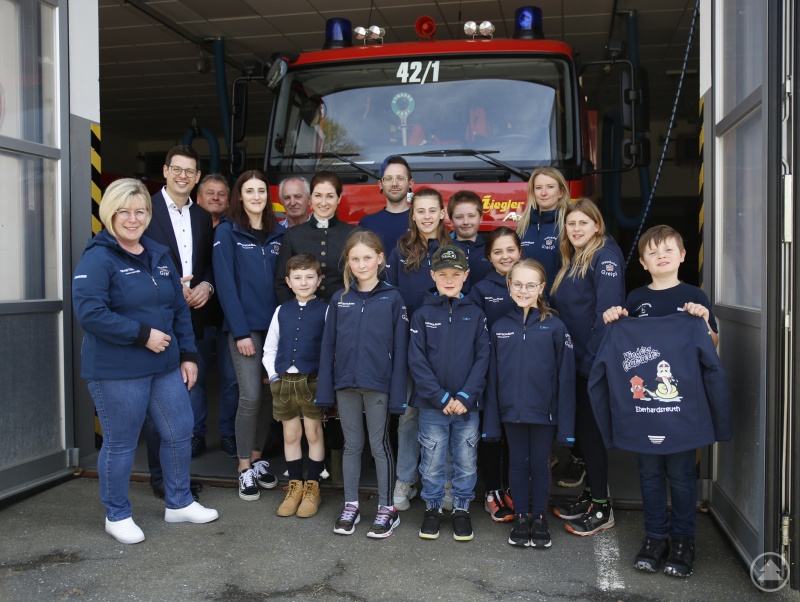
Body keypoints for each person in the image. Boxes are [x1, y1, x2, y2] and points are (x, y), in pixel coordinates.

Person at [73, 178, 219, 545]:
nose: (132, 219)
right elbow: (90, 313)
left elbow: (177, 309)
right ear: (110, 214)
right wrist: (142, 335)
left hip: (165, 365)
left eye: (139, 212)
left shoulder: (157, 253)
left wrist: (187, 354)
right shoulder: (98, 257)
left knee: (178, 429)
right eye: (124, 211)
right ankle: (117, 515)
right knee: (121, 442)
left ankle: (179, 502)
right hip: (117, 369)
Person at [600, 224, 721, 576]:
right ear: (642, 262)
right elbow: (624, 344)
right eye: (652, 252)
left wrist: (705, 323)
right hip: (646, 409)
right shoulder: (636, 298)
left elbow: (711, 346)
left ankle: (683, 541)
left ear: (683, 256)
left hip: (682, 406)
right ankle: (655, 537)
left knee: (682, 475)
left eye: (668, 249)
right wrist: (614, 316)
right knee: (649, 473)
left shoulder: (695, 296)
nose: (661, 255)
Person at [317, 230, 409, 538]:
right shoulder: (340, 298)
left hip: (378, 385)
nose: (361, 264)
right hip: (346, 384)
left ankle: (387, 509)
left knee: (379, 445)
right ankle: (351, 504)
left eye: (367, 257)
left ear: (380, 259)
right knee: (352, 445)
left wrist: (398, 396)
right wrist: (325, 391)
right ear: (348, 262)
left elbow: (401, 350)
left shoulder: (393, 298)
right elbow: (328, 346)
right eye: (355, 259)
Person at [483, 258, 576, 549]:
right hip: (511, 412)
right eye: (518, 284)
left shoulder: (556, 327)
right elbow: (492, 378)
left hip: (543, 412)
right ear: (509, 285)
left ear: (541, 287)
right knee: (517, 464)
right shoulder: (499, 327)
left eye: (530, 285)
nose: (524, 290)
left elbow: (566, 379)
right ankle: (521, 516)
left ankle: (539, 518)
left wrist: (566, 427)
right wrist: (491, 421)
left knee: (540, 464)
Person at [143, 145, 215, 507]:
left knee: (183, 403)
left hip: (193, 319)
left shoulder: (203, 217)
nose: (183, 176)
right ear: (166, 171)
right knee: (161, 406)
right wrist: (173, 287)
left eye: (190, 171)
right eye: (177, 169)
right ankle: (160, 478)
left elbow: (206, 265)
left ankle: (178, 478)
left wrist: (205, 286)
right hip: (157, 318)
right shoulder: (146, 210)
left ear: (197, 177)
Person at [550, 198, 625, 536]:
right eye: (571, 223)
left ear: (597, 225)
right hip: (576, 361)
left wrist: (588, 363)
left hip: (590, 364)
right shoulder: (575, 258)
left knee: (591, 437)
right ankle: (592, 496)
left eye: (583, 222)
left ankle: (602, 509)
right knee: (582, 433)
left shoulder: (604, 257)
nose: (576, 228)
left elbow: (605, 317)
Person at [409, 245, 489, 542]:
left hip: (467, 406)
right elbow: (416, 361)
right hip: (433, 406)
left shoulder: (477, 315)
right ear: (433, 275)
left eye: (456, 274)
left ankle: (461, 509)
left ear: (466, 275)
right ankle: (432, 509)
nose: (449, 279)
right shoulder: (422, 314)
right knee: (432, 460)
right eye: (442, 274)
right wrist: (441, 398)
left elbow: (483, 359)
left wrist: (466, 397)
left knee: (466, 459)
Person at [213, 170, 285, 501]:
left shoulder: (278, 233)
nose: (256, 196)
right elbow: (225, 285)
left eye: (261, 191)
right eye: (249, 190)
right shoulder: (228, 232)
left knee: (270, 397)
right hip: (245, 330)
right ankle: (243, 468)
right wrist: (240, 332)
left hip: (274, 329)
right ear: (239, 196)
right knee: (251, 395)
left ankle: (256, 459)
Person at [385, 188, 450, 512]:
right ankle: (406, 479)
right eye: (420, 211)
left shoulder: (453, 249)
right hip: (409, 345)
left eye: (431, 210)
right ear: (413, 215)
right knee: (409, 416)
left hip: (446, 346)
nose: (426, 216)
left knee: (442, 415)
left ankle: (444, 480)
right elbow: (392, 297)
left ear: (442, 213)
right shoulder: (400, 249)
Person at [262, 253, 328, 518]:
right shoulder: (281, 310)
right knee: (291, 434)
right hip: (284, 381)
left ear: (319, 280)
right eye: (298, 278)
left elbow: (330, 349)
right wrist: (275, 376)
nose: (304, 282)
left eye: (309, 277)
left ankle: (313, 486)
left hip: (312, 380)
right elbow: (269, 348)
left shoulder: (326, 310)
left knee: (313, 432)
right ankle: (295, 486)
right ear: (288, 282)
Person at [467, 226, 521, 522]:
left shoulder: (531, 283)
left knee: (516, 432)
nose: (505, 256)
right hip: (491, 373)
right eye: (498, 251)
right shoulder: (482, 289)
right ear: (489, 257)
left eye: (510, 250)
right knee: (491, 435)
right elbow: (474, 333)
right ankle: (492, 492)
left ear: (520, 252)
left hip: (522, 374)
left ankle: (513, 487)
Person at [193, 174, 239, 458]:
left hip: (229, 319)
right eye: (209, 193)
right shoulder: (188, 228)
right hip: (195, 318)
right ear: (197, 198)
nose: (216, 197)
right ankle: (195, 435)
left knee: (232, 379)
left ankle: (228, 433)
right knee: (193, 379)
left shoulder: (234, 229)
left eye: (222, 193)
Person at [275, 171, 358, 304]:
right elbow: (281, 284)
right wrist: (296, 314)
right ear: (310, 198)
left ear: (339, 198)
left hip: (344, 314)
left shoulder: (354, 234)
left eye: (330, 196)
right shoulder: (293, 235)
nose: (323, 202)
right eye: (318, 195)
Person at [516, 166, 570, 291]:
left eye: (550, 187)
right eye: (538, 188)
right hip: (527, 301)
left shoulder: (569, 224)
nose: (543, 193)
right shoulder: (523, 225)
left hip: (558, 303)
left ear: (561, 192)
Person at [359, 155, 413, 253]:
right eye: (388, 179)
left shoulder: (421, 221)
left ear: (410, 183)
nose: (394, 184)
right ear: (380, 185)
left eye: (400, 178)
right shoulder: (367, 224)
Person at [447, 190, 492, 289]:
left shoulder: (491, 249)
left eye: (471, 216)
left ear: (480, 218)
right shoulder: (443, 248)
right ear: (451, 221)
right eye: (459, 217)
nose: (466, 222)